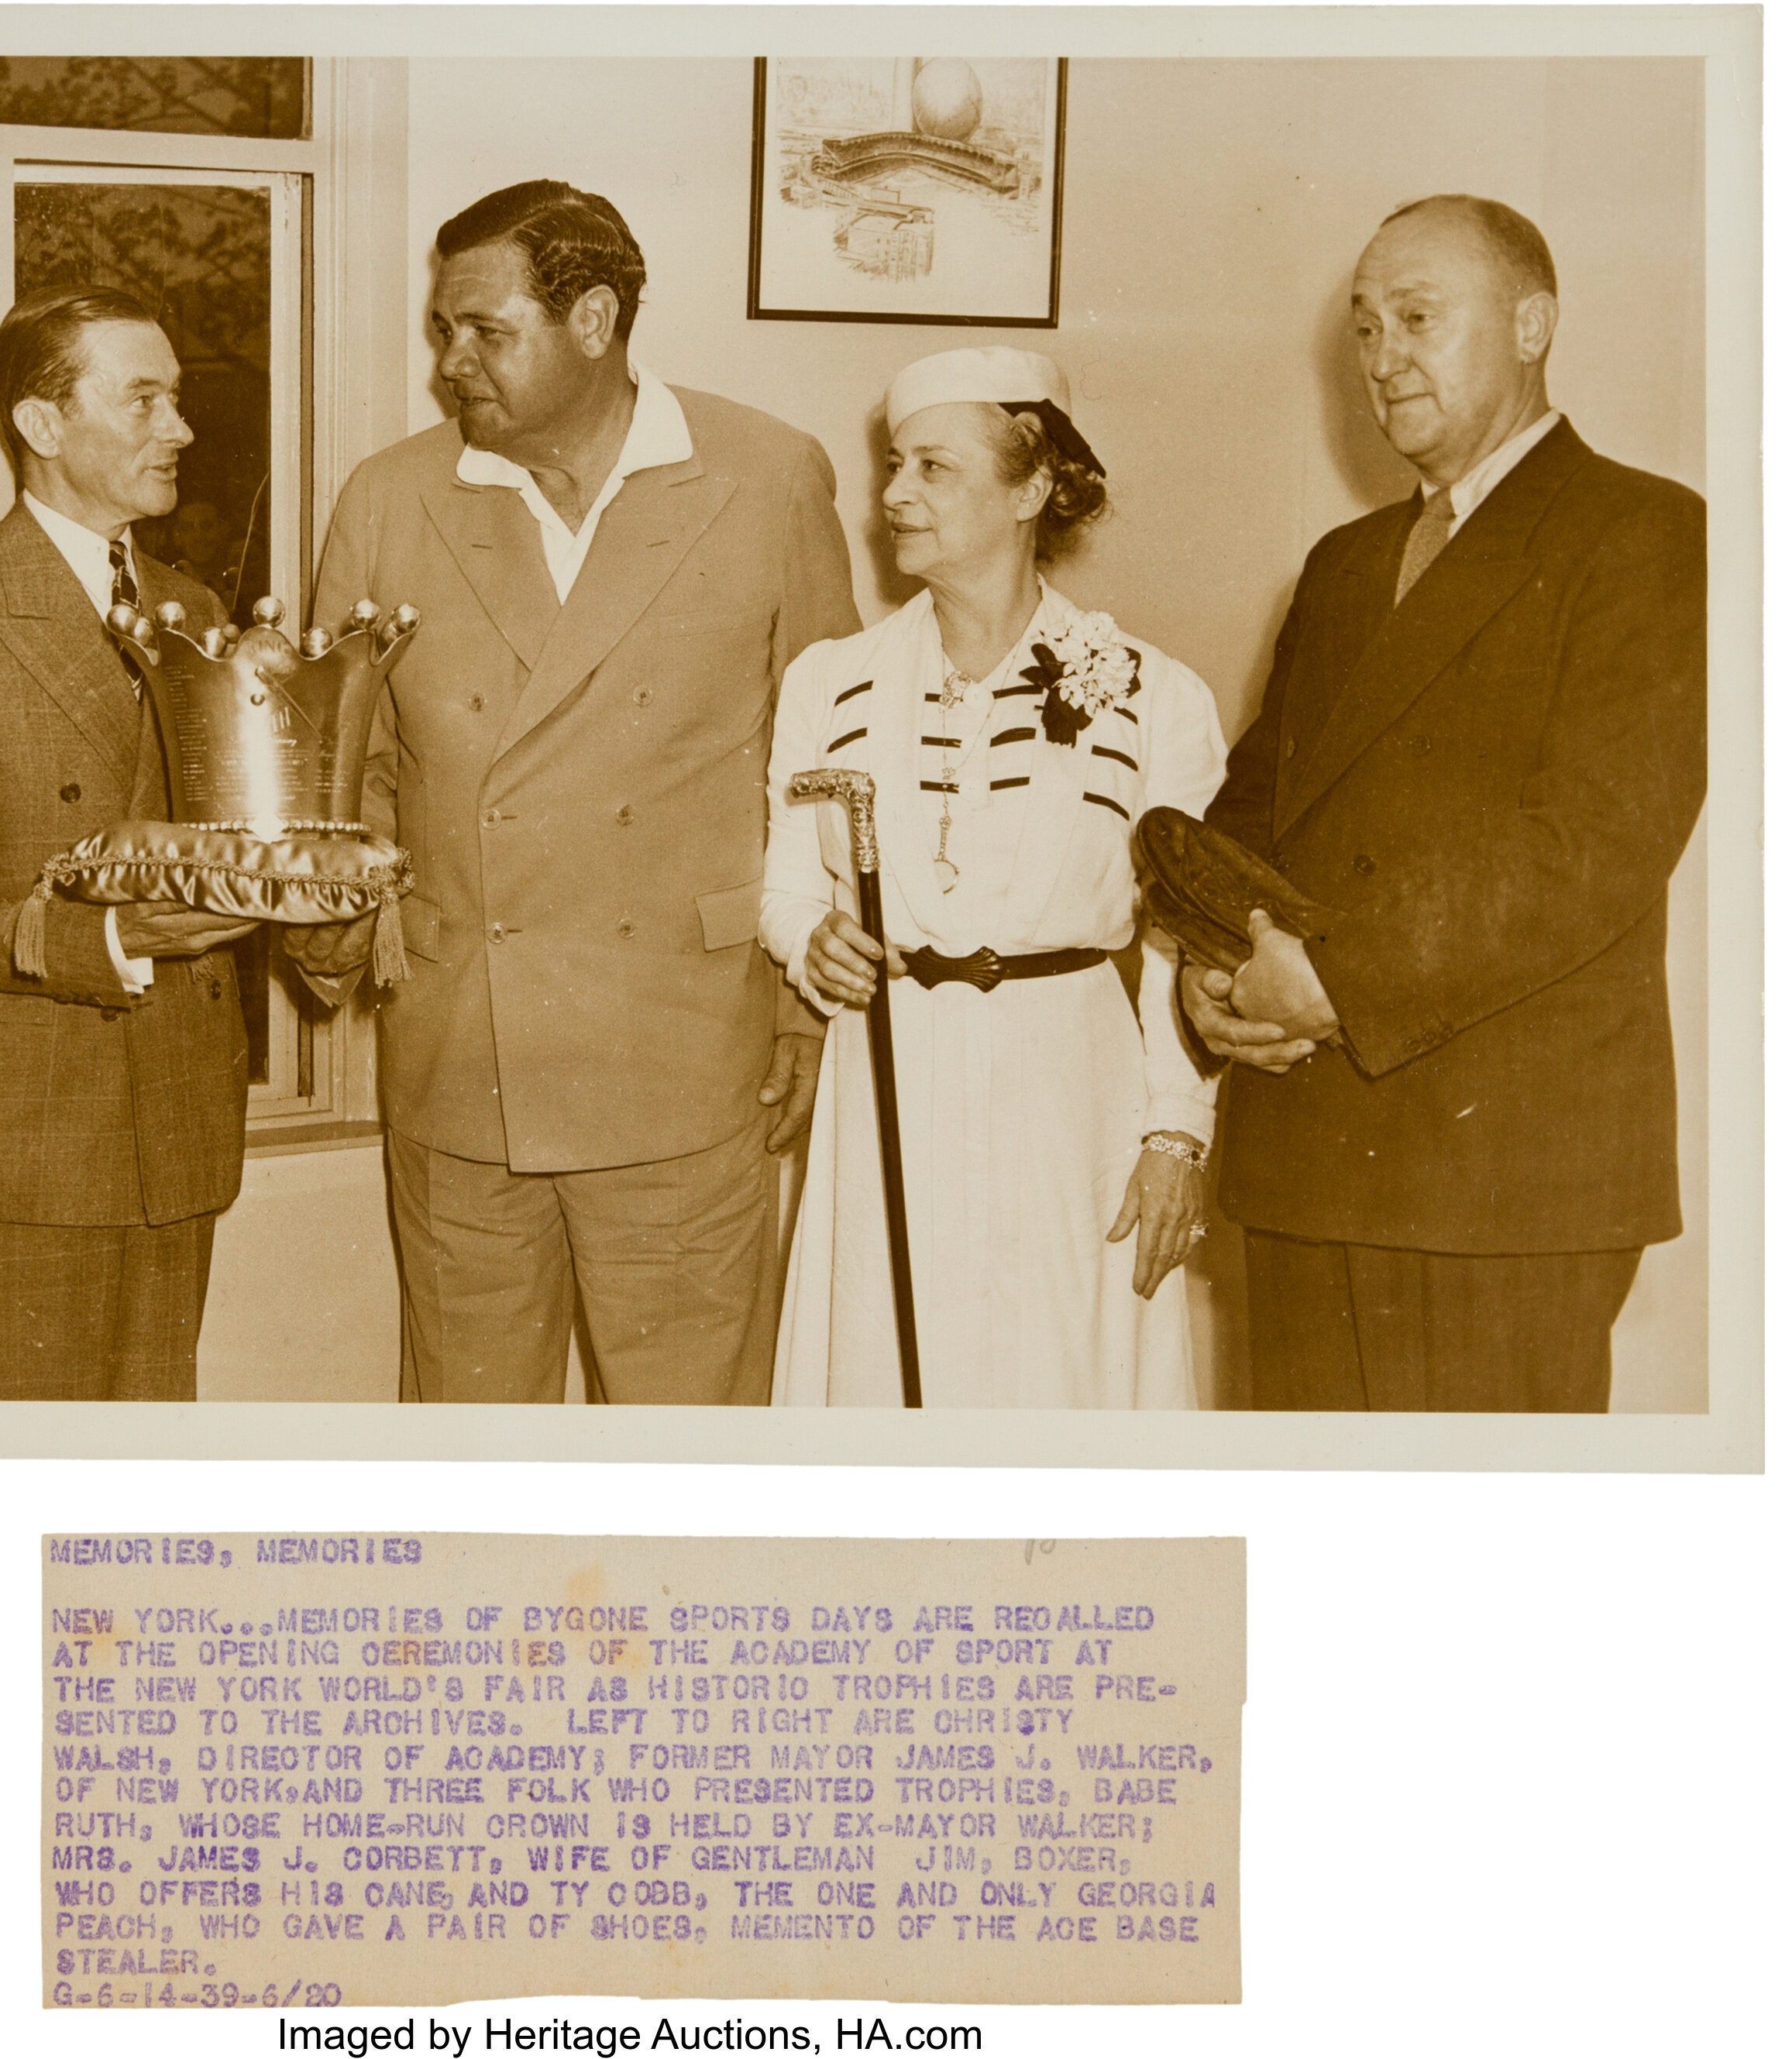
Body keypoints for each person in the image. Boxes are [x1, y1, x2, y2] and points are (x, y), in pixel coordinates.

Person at [297, 180, 861, 1404]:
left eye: (483, 331)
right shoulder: (390, 499)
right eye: (443, 330)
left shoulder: (766, 479)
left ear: (595, 320)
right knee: (472, 1456)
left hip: (686, 1065)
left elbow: (825, 774)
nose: (450, 363)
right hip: (460, 1067)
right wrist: (337, 932)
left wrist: (810, 1015)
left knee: (684, 1468)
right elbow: (346, 778)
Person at [1180, 195, 1707, 1412]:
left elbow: (1596, 842)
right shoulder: (1344, 564)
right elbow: (1247, 814)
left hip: (1501, 1184)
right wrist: (1213, 972)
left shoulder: (1649, 533)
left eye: (1418, 317)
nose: (1383, 358)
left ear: (1534, 323)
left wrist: (1334, 981)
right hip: (1309, 1158)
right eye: (1364, 329)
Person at [762, 349, 1228, 1408]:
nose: (893, 496)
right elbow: (786, 883)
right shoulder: (829, 681)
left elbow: (1181, 947)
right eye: (893, 464)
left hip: (1073, 1090)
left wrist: (1174, 1131)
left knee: (1060, 1370)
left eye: (933, 467)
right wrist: (807, 938)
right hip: (889, 1071)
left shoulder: (1156, 695)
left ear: (1032, 488)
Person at [0, 287, 252, 1401]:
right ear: (42, 425)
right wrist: (112, 938)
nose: (179, 428)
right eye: (143, 399)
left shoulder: (195, 609)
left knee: (147, 1485)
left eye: (177, 399)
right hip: (27, 1140)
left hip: (181, 1125)